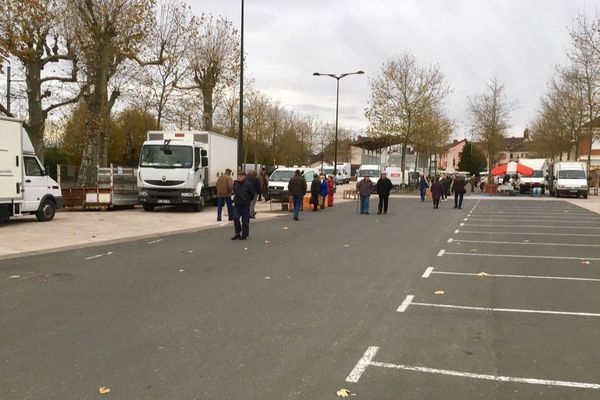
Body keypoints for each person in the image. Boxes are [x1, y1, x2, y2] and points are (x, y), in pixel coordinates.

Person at [231, 171, 255, 240]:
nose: (238, 177)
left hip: (245, 205)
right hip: (237, 204)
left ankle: (244, 234)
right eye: (238, 176)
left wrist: (247, 199)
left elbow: (252, 194)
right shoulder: (235, 183)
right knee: (235, 217)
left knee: (245, 220)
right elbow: (234, 191)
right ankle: (237, 232)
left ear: (244, 177)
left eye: (240, 176)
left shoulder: (249, 184)